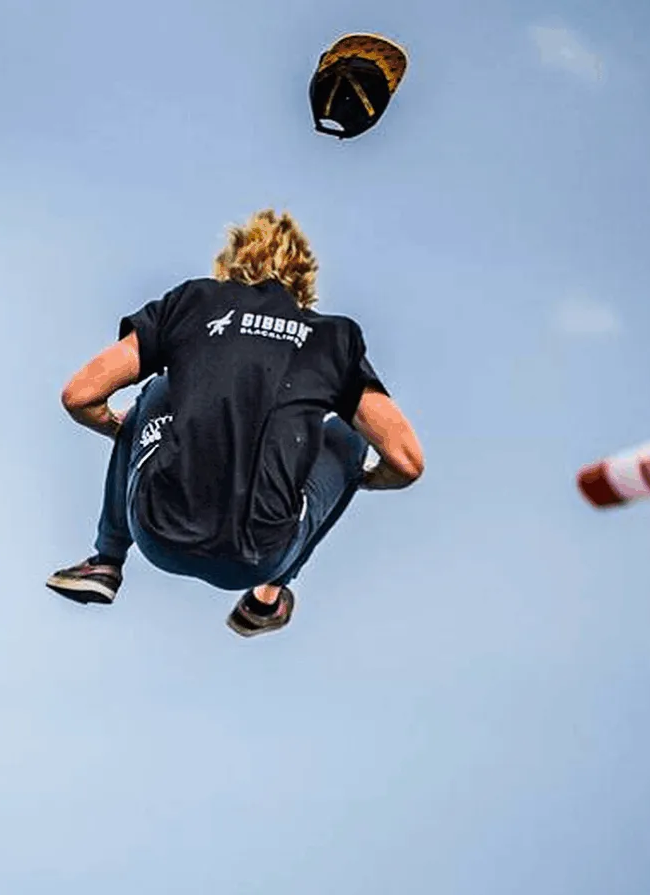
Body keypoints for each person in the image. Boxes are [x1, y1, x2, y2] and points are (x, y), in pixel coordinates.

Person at [45, 208, 425, 635]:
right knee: (349, 438)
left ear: (233, 262)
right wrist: (357, 477)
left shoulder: (193, 303)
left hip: (159, 533)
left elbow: (81, 395)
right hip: (257, 557)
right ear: (304, 279)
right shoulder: (334, 338)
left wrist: (126, 432)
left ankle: (106, 561)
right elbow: (406, 461)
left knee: (158, 389)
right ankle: (268, 597)